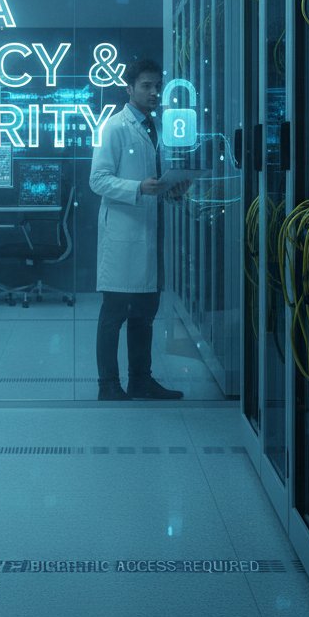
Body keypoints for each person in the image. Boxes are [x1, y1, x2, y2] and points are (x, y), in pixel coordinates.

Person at [90, 58, 183, 401]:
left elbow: (154, 177)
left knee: (144, 315)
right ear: (129, 88)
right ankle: (108, 385)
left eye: (157, 85)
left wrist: (172, 189)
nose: (154, 92)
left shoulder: (154, 127)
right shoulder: (115, 127)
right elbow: (97, 180)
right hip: (124, 236)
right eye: (146, 85)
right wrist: (137, 188)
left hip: (150, 233)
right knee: (114, 315)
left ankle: (141, 380)